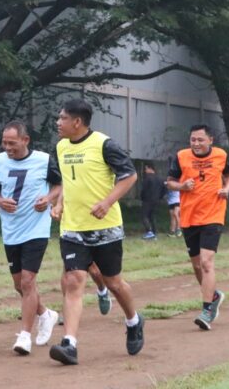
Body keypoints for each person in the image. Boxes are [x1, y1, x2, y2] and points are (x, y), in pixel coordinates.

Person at [48, 98, 144, 365]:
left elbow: (130, 175)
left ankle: (133, 320)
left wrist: (107, 201)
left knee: (113, 282)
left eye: (62, 118)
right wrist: (59, 203)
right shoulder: (61, 147)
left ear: (77, 122)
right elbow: (69, 181)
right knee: (73, 280)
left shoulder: (104, 144)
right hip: (72, 229)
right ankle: (69, 344)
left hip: (105, 228)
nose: (58, 123)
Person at [0, 120, 62, 355]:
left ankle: (25, 337)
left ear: (25, 140)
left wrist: (48, 199)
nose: (7, 147)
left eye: (12, 143)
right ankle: (46, 314)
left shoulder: (43, 159)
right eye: (4, 142)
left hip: (36, 229)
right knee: (19, 285)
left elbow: (59, 185)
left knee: (28, 281)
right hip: (11, 230)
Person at [167, 124, 229, 331]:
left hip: (213, 214)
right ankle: (214, 296)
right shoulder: (181, 156)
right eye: (193, 140)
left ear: (210, 140)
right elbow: (169, 182)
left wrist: (226, 188)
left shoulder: (221, 155)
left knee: (206, 262)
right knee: (197, 266)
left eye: (200, 140)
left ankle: (207, 310)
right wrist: (182, 186)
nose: (196, 144)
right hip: (189, 217)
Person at [140, 163, 166, 239]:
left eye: (146, 168)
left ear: (150, 168)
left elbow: (143, 190)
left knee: (144, 216)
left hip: (147, 200)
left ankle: (149, 231)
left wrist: (142, 197)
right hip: (156, 200)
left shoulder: (147, 178)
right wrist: (160, 197)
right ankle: (154, 232)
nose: (145, 171)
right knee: (152, 216)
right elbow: (164, 190)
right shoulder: (160, 179)